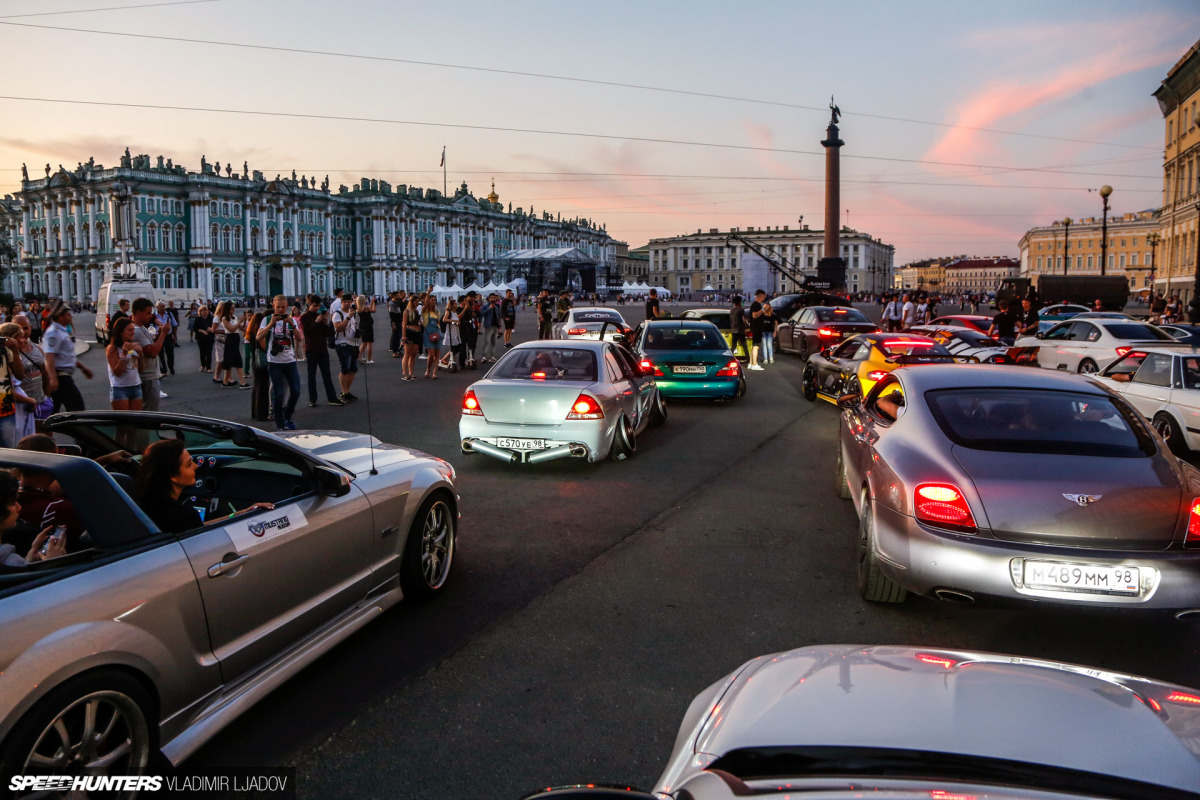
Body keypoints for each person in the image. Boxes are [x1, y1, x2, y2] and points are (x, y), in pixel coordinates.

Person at [133, 439, 273, 534]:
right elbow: (198, 529)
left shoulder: (139, 503)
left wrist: (240, 513)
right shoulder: (182, 515)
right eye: (189, 464)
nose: (196, 466)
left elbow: (197, 527)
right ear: (172, 476)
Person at [0, 470, 66, 569]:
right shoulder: (12, 564)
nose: (19, 507)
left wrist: (28, 560)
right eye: (13, 503)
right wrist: (52, 565)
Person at [256, 294, 304, 430]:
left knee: (295, 390)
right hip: (275, 362)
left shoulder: (291, 320)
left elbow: (299, 338)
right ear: (273, 306)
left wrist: (291, 325)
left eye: (283, 307)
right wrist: (271, 323)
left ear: (287, 306)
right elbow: (258, 337)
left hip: (290, 360)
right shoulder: (266, 320)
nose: (281, 310)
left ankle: (288, 414)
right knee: (278, 392)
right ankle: (280, 423)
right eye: (278, 307)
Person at [42, 301, 91, 414]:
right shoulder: (53, 333)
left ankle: (45, 430)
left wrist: (83, 368)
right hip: (61, 378)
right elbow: (49, 356)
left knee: (53, 413)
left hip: (62, 377)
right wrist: (53, 378)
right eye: (68, 314)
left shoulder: (62, 331)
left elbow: (67, 356)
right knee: (77, 410)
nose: (71, 316)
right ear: (60, 317)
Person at [298, 295, 344, 407]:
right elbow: (307, 333)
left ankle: (332, 398)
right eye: (315, 305)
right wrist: (316, 322)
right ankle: (312, 399)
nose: (317, 308)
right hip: (311, 350)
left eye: (318, 306)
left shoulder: (320, 316)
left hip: (322, 349)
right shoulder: (304, 317)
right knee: (311, 376)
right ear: (309, 304)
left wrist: (325, 322)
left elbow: (328, 333)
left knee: (327, 375)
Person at [6, 318, 45, 439]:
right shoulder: (4, 359)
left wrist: (15, 352)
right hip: (13, 407)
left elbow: (19, 375)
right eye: (20, 337)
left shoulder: (13, 354)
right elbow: (8, 390)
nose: (24, 340)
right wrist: (30, 401)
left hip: (21, 406)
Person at [130, 298, 168, 411]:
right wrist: (164, 334)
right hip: (148, 377)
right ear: (137, 312)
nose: (150, 316)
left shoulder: (142, 328)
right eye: (147, 313)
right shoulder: (137, 331)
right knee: (150, 410)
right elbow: (152, 352)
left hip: (150, 376)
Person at [105, 317, 143, 411]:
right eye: (130, 330)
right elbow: (117, 372)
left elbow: (141, 369)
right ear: (121, 332)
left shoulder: (133, 345)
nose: (133, 332)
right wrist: (124, 354)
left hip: (136, 386)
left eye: (133, 329)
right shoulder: (112, 348)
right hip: (120, 388)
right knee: (124, 423)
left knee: (135, 421)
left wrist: (140, 355)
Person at [331, 294, 359, 401]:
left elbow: (352, 327)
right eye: (345, 302)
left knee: (353, 369)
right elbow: (338, 328)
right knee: (345, 368)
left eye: (349, 301)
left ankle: (347, 391)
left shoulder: (351, 313)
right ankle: (343, 392)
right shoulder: (337, 314)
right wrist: (348, 317)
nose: (347, 303)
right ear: (341, 302)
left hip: (353, 343)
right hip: (342, 344)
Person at [214, 301, 248, 388]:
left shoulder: (234, 317)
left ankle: (225, 381)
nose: (233, 310)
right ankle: (242, 382)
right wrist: (239, 321)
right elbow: (231, 329)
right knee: (237, 360)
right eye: (232, 308)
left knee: (228, 361)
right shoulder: (224, 318)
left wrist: (243, 321)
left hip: (235, 338)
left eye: (234, 308)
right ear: (227, 309)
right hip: (230, 338)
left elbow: (240, 328)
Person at [246, 311, 271, 422]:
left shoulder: (250, 332)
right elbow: (265, 348)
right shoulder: (260, 334)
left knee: (256, 387)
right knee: (263, 388)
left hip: (255, 361)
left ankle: (255, 412)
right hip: (262, 362)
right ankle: (262, 414)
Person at [401, 295, 423, 381]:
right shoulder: (406, 311)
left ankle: (411, 372)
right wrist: (403, 336)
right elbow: (404, 325)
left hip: (417, 333)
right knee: (407, 353)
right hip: (409, 332)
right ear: (412, 301)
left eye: (418, 301)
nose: (417, 303)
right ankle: (404, 373)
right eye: (416, 301)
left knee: (413, 354)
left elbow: (419, 322)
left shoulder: (417, 311)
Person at [440, 297, 464, 372]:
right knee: (454, 347)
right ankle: (445, 359)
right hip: (451, 331)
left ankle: (448, 359)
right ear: (452, 305)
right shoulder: (448, 311)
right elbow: (444, 319)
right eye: (455, 304)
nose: (456, 305)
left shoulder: (455, 312)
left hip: (456, 330)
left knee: (456, 347)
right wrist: (453, 321)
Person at [155, 301, 178, 375]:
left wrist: (175, 336)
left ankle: (171, 367)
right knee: (160, 354)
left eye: (164, 306)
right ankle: (163, 370)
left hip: (168, 336)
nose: (163, 308)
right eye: (161, 306)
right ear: (157, 307)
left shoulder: (169, 314)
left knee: (170, 353)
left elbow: (174, 325)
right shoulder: (154, 316)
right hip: (158, 336)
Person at [422, 295, 442, 379]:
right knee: (431, 354)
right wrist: (428, 292)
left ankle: (434, 372)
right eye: (432, 300)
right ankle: (428, 369)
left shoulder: (437, 311)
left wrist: (440, 332)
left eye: (434, 300)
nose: (433, 302)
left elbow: (438, 322)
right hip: (428, 334)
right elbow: (425, 304)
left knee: (437, 354)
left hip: (436, 333)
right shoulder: (425, 310)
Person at [747, 289, 768, 370]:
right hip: (757, 329)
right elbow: (754, 315)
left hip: (754, 328)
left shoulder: (754, 305)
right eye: (763, 297)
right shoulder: (756, 305)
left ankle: (751, 363)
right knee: (756, 346)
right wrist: (763, 309)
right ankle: (755, 364)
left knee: (754, 346)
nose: (763, 298)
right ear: (760, 296)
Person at [480, 293, 502, 363]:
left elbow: (498, 316)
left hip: (495, 326)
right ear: (488, 299)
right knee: (487, 342)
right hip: (488, 326)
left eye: (494, 298)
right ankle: (484, 356)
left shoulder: (497, 306)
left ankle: (492, 356)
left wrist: (499, 326)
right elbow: (482, 314)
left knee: (494, 342)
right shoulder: (485, 306)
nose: (493, 299)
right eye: (491, 298)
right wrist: (489, 308)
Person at [356, 295, 377, 364]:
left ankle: (358, 356)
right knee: (369, 342)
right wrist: (374, 303)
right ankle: (369, 359)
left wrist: (371, 303)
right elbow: (374, 310)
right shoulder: (366, 307)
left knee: (364, 342)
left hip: (362, 325)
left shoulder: (359, 308)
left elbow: (369, 309)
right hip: (368, 326)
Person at [193, 305, 214, 372]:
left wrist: (211, 329)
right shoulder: (198, 319)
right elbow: (195, 328)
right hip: (200, 337)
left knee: (209, 352)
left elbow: (214, 327)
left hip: (209, 337)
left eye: (206, 310)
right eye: (203, 310)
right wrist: (202, 331)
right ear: (200, 312)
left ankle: (209, 367)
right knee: (202, 352)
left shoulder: (211, 318)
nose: (205, 312)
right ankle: (203, 365)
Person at [387, 291, 406, 357]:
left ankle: (397, 350)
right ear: (394, 296)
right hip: (396, 322)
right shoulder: (392, 303)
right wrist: (393, 323)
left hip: (399, 321)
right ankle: (395, 351)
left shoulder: (395, 302)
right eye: (398, 295)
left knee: (398, 336)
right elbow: (391, 314)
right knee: (396, 337)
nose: (399, 296)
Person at [729, 296, 748, 360]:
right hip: (740, 330)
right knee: (744, 346)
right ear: (739, 302)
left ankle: (729, 359)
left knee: (733, 346)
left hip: (734, 330)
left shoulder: (732, 310)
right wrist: (746, 325)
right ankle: (748, 359)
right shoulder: (741, 310)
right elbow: (743, 320)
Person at [760, 300, 777, 365]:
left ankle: (771, 358)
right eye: (765, 306)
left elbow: (776, 324)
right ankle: (765, 359)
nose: (766, 307)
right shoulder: (762, 314)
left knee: (769, 345)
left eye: (767, 306)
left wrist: (775, 332)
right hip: (763, 331)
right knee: (764, 345)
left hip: (770, 331)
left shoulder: (773, 315)